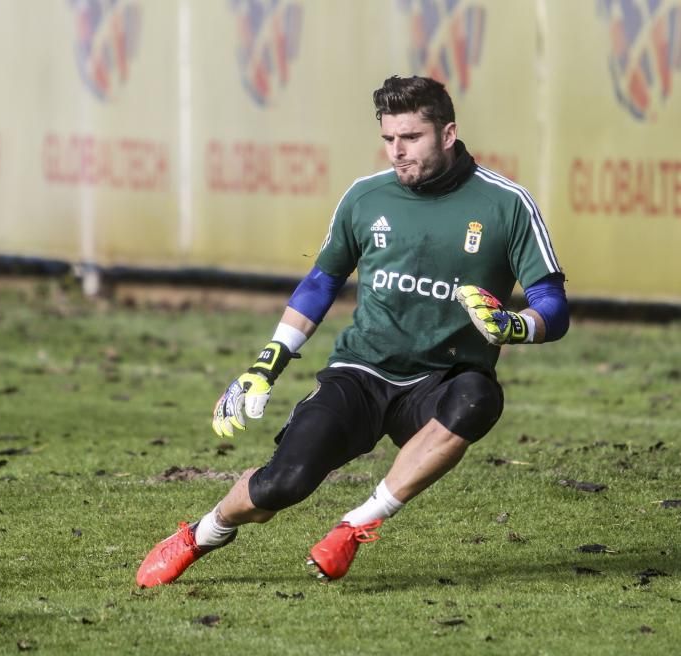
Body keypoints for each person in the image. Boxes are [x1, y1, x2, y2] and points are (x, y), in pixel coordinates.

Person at [135, 75, 570, 588]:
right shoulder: (366, 197)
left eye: (411, 138)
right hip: (361, 372)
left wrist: (517, 325)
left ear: (448, 134)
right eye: (389, 139)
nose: (397, 152)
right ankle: (201, 533)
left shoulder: (506, 203)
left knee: (478, 398)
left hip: (443, 378)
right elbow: (321, 282)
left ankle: (357, 524)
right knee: (283, 484)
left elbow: (553, 305)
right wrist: (267, 363)